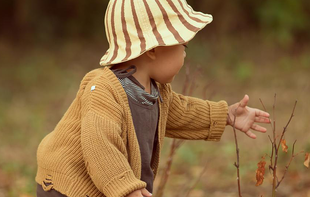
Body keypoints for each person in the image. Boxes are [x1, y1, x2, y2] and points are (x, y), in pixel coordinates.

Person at [35, 0, 270, 196]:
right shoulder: (103, 90)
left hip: (110, 184)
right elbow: (100, 145)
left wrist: (226, 115)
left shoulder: (155, 90)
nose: (185, 53)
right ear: (152, 50)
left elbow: (181, 112)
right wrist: (125, 187)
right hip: (68, 185)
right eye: (183, 45)